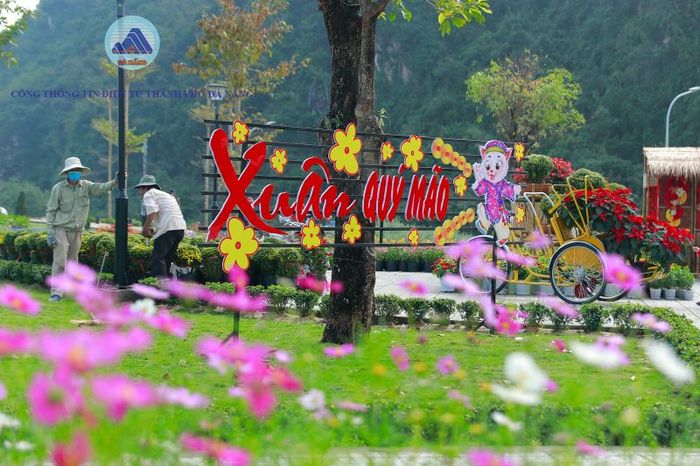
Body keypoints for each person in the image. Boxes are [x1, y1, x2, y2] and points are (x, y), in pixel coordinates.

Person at [46, 157, 117, 301]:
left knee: (73, 263)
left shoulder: (86, 186)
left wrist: (115, 181)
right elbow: (51, 211)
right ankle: (56, 292)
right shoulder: (58, 189)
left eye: (77, 170)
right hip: (61, 229)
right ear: (67, 173)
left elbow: (101, 188)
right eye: (73, 170)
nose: (75, 173)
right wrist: (50, 233)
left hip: (77, 231)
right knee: (60, 261)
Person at [134, 175, 186, 278]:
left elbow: (152, 212)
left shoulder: (149, 194)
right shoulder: (167, 195)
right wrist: (154, 229)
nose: (140, 192)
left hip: (169, 228)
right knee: (166, 258)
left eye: (140, 189)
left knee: (157, 258)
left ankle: (160, 284)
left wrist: (145, 229)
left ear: (145, 187)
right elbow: (165, 214)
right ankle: (167, 284)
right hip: (179, 228)